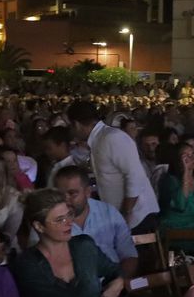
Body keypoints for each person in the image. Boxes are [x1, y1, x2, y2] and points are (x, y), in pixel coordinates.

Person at [13, 188, 131, 297]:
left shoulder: (83, 246)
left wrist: (118, 282)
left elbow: (115, 270)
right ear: (39, 226)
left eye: (69, 215)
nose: (69, 222)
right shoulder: (27, 264)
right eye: (59, 219)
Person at [66, 99, 159, 231]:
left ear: (76, 124)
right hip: (121, 217)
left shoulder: (111, 138)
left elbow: (134, 176)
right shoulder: (99, 140)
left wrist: (125, 213)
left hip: (137, 217)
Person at [50, 164, 138, 277]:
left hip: (115, 283)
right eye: (60, 195)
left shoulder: (108, 212)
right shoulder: (49, 221)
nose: (66, 200)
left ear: (87, 192)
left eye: (72, 193)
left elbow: (129, 254)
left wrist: (119, 282)